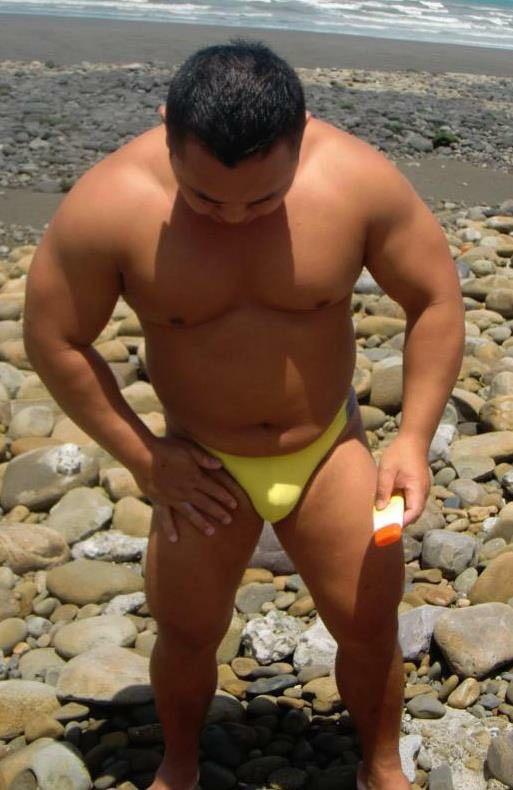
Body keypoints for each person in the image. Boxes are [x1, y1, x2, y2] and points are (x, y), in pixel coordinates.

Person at [23, 39, 465, 790]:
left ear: (301, 134)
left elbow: (434, 299)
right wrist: (143, 456)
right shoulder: (112, 203)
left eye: (262, 199)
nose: (232, 217)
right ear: (167, 131)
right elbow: (53, 336)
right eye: (203, 198)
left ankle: (382, 767)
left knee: (367, 624)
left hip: (326, 447)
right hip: (202, 461)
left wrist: (413, 438)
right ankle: (180, 767)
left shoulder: (356, 181)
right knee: (188, 630)